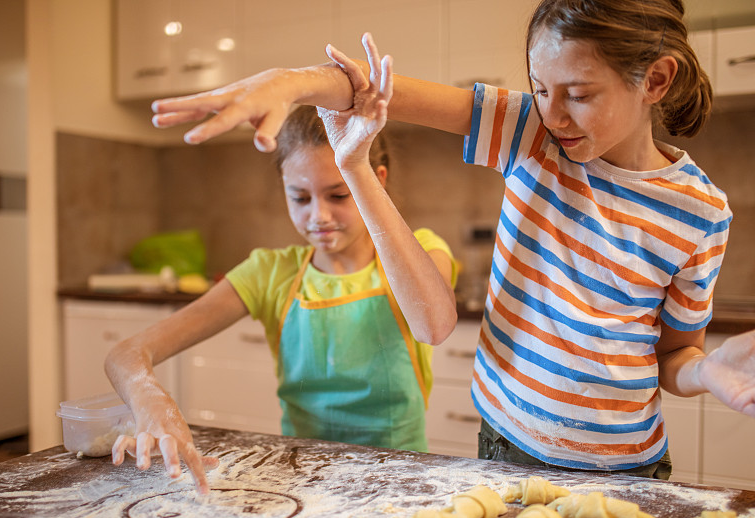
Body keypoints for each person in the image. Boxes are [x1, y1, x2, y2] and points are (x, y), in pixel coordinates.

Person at [150, 0, 755, 481]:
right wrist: (289, 82)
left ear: (655, 79)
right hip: (506, 445)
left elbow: (675, 358)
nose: (555, 114)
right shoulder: (529, 135)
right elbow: (373, 95)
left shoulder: (700, 214)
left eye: (578, 93)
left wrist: (707, 373)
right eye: (541, 89)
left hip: (627, 467)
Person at [105, 65, 459, 493]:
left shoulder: (420, 251)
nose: (319, 216)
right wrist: (150, 401)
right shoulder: (271, 273)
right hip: (300, 479)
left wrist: (356, 169)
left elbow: (435, 323)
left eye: (339, 194)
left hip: (400, 475)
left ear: (374, 181)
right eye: (300, 197)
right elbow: (125, 355)